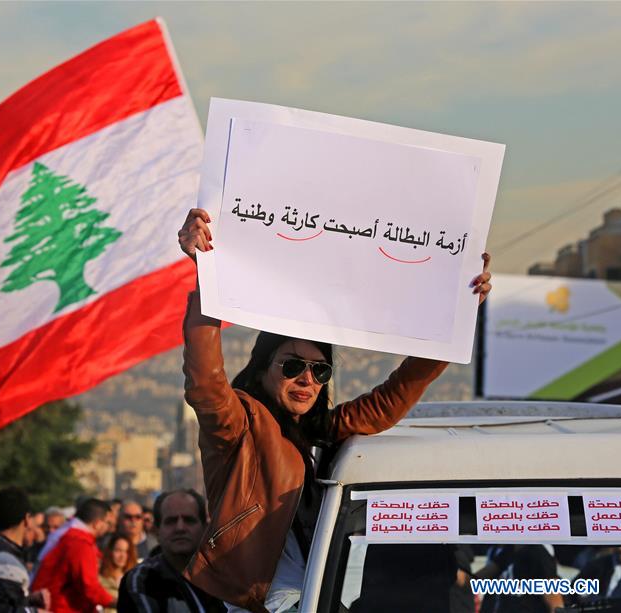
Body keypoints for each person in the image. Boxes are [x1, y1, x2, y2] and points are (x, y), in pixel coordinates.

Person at [177, 208, 493, 612]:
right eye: (292, 366)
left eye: (320, 370)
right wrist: (207, 277)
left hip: (322, 595)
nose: (307, 380)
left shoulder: (322, 430)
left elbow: (389, 400)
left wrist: (459, 314)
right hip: (269, 603)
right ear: (261, 370)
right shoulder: (241, 425)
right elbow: (205, 383)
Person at [119, 489, 225, 613]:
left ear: (204, 528)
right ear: (157, 531)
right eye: (171, 521)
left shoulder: (223, 576)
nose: (180, 528)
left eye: (189, 520)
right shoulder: (142, 580)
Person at [31, 498, 115, 612]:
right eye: (107, 523)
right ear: (97, 523)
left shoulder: (67, 533)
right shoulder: (80, 543)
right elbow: (89, 587)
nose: (109, 527)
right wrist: (117, 602)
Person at [100, 535, 138, 612]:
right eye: (118, 550)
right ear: (110, 551)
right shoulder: (99, 578)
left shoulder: (134, 579)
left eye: (126, 551)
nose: (122, 556)